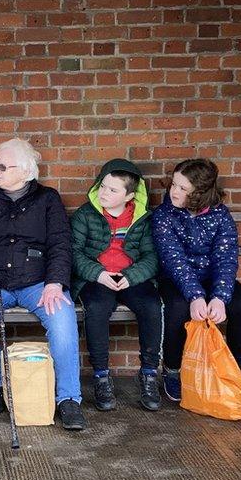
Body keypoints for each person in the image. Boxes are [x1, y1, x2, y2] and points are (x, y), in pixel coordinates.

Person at [0, 138, 85, 431]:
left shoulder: (48, 199)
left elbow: (60, 244)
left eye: (4, 166)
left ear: (26, 172)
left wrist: (55, 283)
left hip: (38, 283)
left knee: (63, 320)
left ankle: (68, 399)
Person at [152, 158, 241, 402]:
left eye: (182, 188)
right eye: (173, 185)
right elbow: (173, 259)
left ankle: (229, 372)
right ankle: (172, 371)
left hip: (212, 279)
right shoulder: (164, 215)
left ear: (199, 193)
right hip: (175, 279)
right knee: (178, 308)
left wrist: (219, 297)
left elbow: (226, 258)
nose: (174, 191)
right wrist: (196, 296)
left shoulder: (220, 215)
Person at [70, 159, 162, 412]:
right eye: (102, 186)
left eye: (113, 190)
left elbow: (152, 257)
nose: (104, 193)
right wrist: (98, 274)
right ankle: (101, 375)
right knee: (97, 309)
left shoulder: (142, 219)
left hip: (131, 276)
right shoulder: (85, 215)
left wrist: (131, 276)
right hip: (96, 278)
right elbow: (74, 253)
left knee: (152, 306)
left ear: (129, 195)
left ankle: (149, 374)